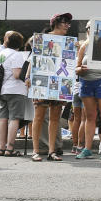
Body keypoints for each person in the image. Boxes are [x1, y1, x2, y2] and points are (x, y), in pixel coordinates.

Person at [28, 13, 70, 161]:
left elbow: (68, 64)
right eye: (65, 22)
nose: (67, 25)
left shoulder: (68, 41)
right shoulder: (40, 39)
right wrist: (28, 77)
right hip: (41, 80)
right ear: (56, 23)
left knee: (55, 118)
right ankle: (36, 150)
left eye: (68, 23)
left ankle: (52, 151)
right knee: (38, 116)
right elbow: (33, 59)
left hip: (59, 81)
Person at [75, 37, 101, 160]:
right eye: (89, 28)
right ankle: (87, 149)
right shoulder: (84, 46)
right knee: (89, 116)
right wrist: (80, 70)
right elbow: (77, 68)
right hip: (86, 81)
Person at [0, 32, 27, 157]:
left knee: (2, 118)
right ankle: (10, 148)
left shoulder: (0, 54)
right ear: (20, 43)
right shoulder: (17, 55)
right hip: (15, 90)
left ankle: (1, 148)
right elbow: (16, 74)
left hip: (2, 90)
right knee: (14, 119)